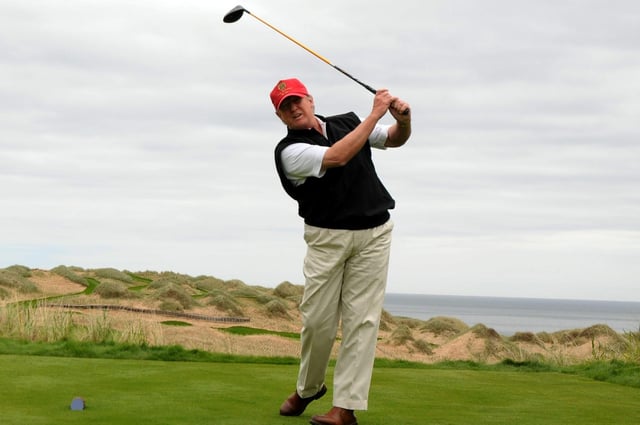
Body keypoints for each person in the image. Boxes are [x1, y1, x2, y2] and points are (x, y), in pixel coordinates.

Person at [271, 78, 411, 425]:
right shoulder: (290, 151)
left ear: (310, 100)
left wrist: (403, 119)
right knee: (318, 321)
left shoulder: (346, 122)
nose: (293, 108)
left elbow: (393, 139)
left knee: (362, 321)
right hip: (327, 239)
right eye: (285, 107)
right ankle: (308, 389)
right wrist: (375, 113)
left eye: (297, 100)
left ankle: (345, 409)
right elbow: (338, 155)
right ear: (280, 116)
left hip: (374, 234)